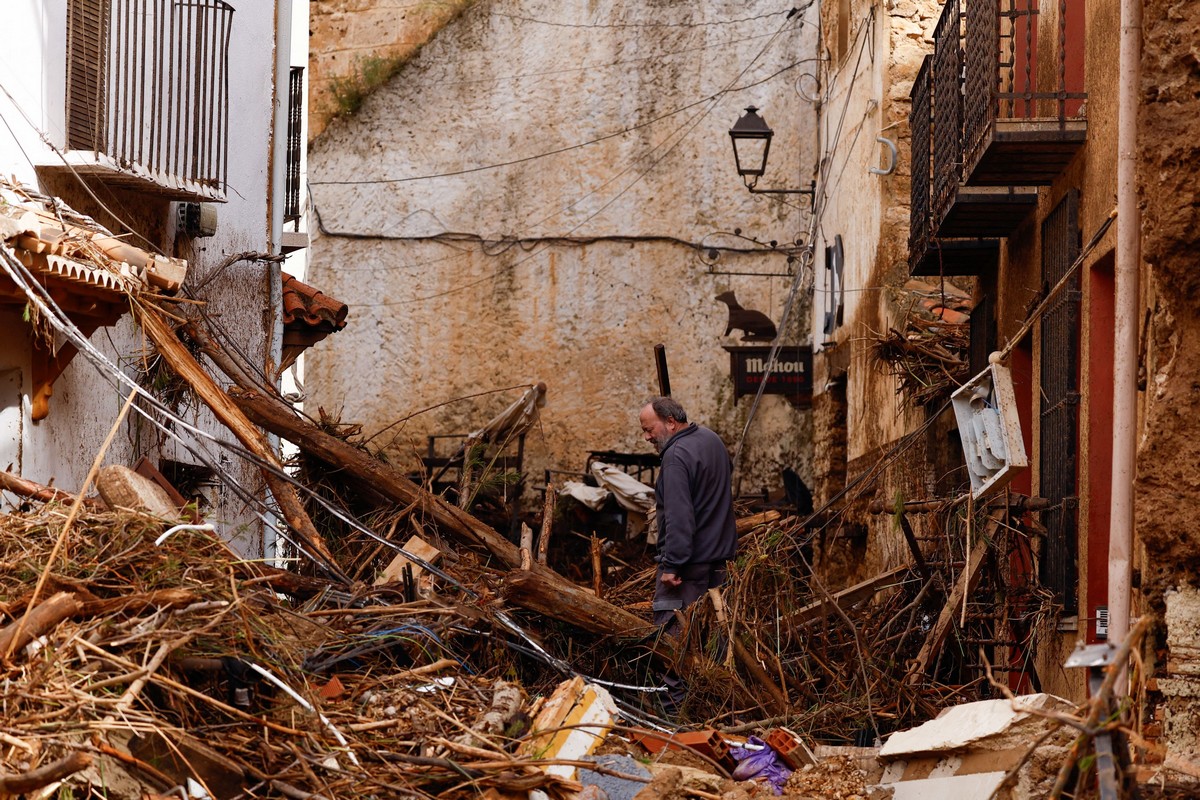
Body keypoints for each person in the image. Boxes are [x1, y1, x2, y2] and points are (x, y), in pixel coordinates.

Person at [638, 396, 737, 715]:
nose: (647, 437)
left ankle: (673, 721)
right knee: (712, 641)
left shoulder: (676, 455)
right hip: (718, 566)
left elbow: (679, 515)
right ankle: (713, 714)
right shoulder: (712, 441)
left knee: (671, 644)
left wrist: (673, 564)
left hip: (687, 567)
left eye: (648, 429)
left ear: (670, 422)